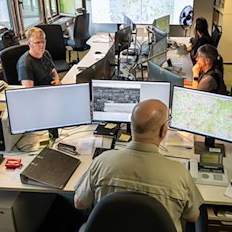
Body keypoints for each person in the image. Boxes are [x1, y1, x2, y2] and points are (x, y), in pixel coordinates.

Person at [74, 99, 204, 232]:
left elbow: (79, 204)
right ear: (163, 131)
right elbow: (193, 217)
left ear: (131, 126)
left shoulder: (102, 162)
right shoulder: (180, 174)